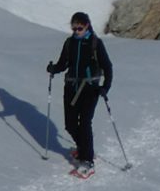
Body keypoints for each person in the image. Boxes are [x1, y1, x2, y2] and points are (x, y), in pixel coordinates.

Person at [47, 11, 113, 177]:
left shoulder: (95, 43)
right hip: (71, 87)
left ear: (87, 26)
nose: (76, 31)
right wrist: (54, 68)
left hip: (90, 88)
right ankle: (84, 148)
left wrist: (105, 86)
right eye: (74, 27)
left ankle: (88, 161)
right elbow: (64, 63)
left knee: (84, 123)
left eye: (80, 28)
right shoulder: (70, 43)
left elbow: (107, 67)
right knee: (70, 124)